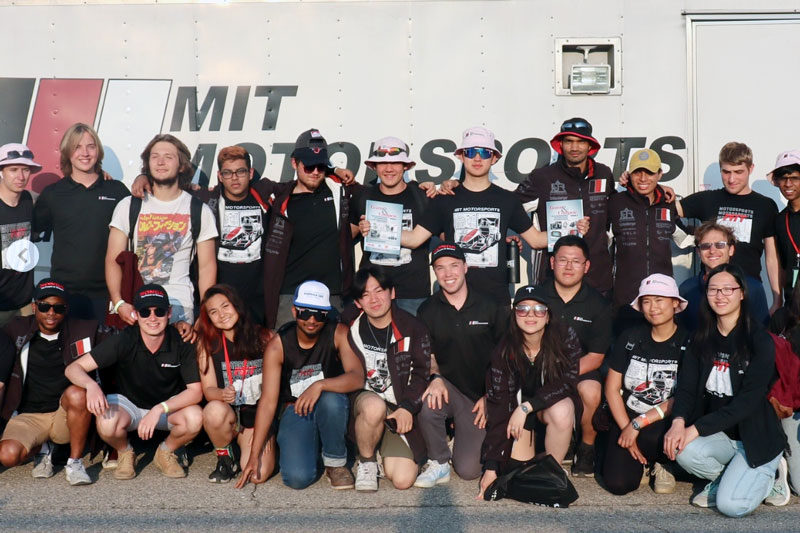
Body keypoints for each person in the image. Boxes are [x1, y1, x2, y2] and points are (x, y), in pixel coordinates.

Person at [396, 127, 587, 305]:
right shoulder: (444, 199)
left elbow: (536, 240)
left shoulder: (507, 200)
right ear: (461, 156)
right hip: (455, 301)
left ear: (494, 158)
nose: (477, 158)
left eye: (485, 152)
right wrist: (380, 229)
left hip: (496, 301)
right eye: (471, 152)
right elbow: (413, 239)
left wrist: (573, 229)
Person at [664, 264, 789, 517]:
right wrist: (678, 422)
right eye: (713, 290)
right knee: (680, 448)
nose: (720, 295)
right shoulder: (700, 337)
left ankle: (773, 476)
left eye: (727, 289)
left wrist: (695, 429)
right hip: (721, 436)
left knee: (732, 506)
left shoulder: (759, 340)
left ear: (741, 293)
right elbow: (686, 389)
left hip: (755, 437)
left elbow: (747, 403)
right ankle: (729, 478)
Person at [64, 284, 204, 480]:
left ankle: (166, 452)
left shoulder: (181, 341)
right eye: (145, 312)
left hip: (166, 408)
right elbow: (73, 368)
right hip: (129, 405)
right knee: (106, 421)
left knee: (195, 417)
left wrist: (159, 409)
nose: (152, 318)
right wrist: (91, 385)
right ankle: (125, 452)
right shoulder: (125, 339)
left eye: (159, 311)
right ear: (136, 315)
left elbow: (196, 392)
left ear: (169, 313)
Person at [236, 280, 364, 490]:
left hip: (329, 403)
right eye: (305, 313)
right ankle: (305, 446)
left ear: (326, 314)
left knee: (332, 400)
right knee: (297, 479)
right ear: (295, 311)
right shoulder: (278, 345)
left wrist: (319, 385)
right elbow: (268, 402)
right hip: (295, 408)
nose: (312, 320)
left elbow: (357, 376)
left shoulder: (337, 333)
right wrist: (254, 455)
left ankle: (335, 463)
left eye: (319, 314)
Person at [413, 243, 509, 487]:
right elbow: (427, 353)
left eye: (454, 266)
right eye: (440, 268)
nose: (448, 274)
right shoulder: (427, 309)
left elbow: (507, 356)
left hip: (482, 395)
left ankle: (460, 440)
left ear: (465, 267)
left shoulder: (491, 305)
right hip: (450, 388)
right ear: (435, 272)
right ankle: (439, 461)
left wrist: (491, 395)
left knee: (469, 470)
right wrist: (435, 377)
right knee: (429, 399)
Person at [478, 285, 581, 499]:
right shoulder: (504, 350)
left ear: (548, 316)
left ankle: (554, 470)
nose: (531, 315)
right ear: (514, 314)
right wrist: (491, 467)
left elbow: (568, 382)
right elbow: (499, 406)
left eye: (539, 309)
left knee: (562, 410)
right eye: (523, 309)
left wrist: (527, 407)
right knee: (513, 469)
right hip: (517, 413)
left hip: (546, 408)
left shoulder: (565, 336)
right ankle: (538, 458)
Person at [0, 279, 105, 485]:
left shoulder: (85, 329)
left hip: (63, 414)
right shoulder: (17, 328)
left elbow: (121, 342)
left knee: (78, 393)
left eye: (58, 308)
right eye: (44, 306)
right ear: (34, 307)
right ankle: (43, 448)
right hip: (28, 416)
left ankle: (74, 462)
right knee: (7, 455)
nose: (51, 313)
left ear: (67, 309)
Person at [106, 134, 218, 325]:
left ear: (181, 165)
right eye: (155, 156)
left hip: (179, 306)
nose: (160, 162)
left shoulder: (200, 210)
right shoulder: (128, 205)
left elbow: (207, 267)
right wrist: (118, 303)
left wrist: (205, 313)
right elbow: (112, 259)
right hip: (136, 304)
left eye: (168, 157)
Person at [33, 123, 130, 321]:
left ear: (98, 151)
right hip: (64, 295)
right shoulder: (52, 194)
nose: (85, 153)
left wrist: (143, 178)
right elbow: (28, 229)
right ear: (67, 152)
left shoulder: (117, 191)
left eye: (90, 146)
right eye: (77, 147)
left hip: (109, 295)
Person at [603, 274, 690, 495]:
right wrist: (627, 427)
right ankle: (642, 462)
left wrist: (636, 425)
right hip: (629, 414)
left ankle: (663, 463)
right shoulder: (629, 337)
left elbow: (685, 394)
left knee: (653, 437)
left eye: (660, 300)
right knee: (618, 484)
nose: (653, 308)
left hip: (663, 420)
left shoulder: (688, 341)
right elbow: (612, 389)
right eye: (647, 301)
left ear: (675, 303)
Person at [346, 266, 430, 491]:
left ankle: (380, 447)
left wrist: (407, 407)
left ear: (392, 293)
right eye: (365, 294)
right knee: (374, 406)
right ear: (358, 303)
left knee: (403, 480)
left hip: (397, 407)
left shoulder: (412, 327)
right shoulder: (349, 326)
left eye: (379, 291)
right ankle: (367, 462)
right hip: (364, 402)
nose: (374, 299)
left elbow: (422, 372)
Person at [264, 129, 358, 328]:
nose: (315, 172)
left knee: (335, 347)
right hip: (291, 296)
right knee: (287, 346)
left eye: (320, 166)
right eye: (308, 166)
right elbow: (245, 189)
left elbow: (383, 192)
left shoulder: (339, 191)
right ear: (294, 163)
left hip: (332, 294)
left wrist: (421, 189)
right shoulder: (280, 198)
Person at [675, 142, 780, 314]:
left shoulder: (765, 205)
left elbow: (772, 257)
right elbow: (666, 211)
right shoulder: (707, 199)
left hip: (748, 290)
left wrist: (777, 299)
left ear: (751, 168)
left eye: (738, 172)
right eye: (726, 172)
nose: (731, 179)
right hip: (713, 294)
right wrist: (687, 236)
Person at [537, 235, 612, 477]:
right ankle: (563, 436)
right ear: (552, 263)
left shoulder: (598, 304)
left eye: (576, 261)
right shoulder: (537, 297)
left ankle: (587, 446)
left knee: (591, 391)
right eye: (563, 260)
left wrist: (564, 374)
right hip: (542, 369)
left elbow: (596, 357)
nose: (569, 267)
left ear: (586, 266)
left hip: (581, 369)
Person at [514, 118, 616, 293]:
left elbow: (617, 207)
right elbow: (509, 206)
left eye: (581, 142)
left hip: (598, 276)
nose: (574, 148)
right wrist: (535, 238)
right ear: (561, 145)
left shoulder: (604, 173)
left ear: (590, 146)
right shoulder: (542, 177)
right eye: (569, 141)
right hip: (552, 277)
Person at [195, 284, 276, 483]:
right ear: (208, 317)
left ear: (237, 305)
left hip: (259, 420)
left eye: (226, 306)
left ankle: (261, 444)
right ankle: (225, 456)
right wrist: (222, 394)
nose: (222, 315)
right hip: (232, 419)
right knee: (213, 411)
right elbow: (208, 390)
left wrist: (265, 430)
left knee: (256, 476)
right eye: (214, 312)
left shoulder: (265, 337)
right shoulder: (207, 343)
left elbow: (278, 388)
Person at [350, 137, 431, 315]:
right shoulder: (361, 197)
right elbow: (344, 237)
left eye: (395, 163)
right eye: (382, 163)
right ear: (374, 167)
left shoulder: (422, 196)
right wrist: (360, 227)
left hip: (413, 295)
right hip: (373, 293)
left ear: (405, 166)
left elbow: (445, 235)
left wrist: (451, 183)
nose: (389, 169)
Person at [608, 149, 680, 314]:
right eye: (637, 172)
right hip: (626, 297)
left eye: (649, 173)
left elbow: (685, 237)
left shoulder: (668, 203)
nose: (642, 178)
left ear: (659, 174)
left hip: (661, 296)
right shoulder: (615, 203)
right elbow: (602, 239)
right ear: (629, 175)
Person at [679, 222, 769, 329]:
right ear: (698, 252)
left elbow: (763, 329)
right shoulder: (687, 288)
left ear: (731, 250)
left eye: (720, 245)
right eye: (705, 246)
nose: (712, 251)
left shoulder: (753, 287)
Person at [0, 143, 41, 326]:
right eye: (13, 170)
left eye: (25, 170)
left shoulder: (30, 200)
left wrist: (98, 175)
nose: (21, 176)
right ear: (1, 172)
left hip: (24, 304)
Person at [769, 149, 800, 306]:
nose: (788, 184)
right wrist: (777, 300)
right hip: (792, 304)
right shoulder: (780, 219)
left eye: (794, 178)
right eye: (783, 178)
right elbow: (780, 264)